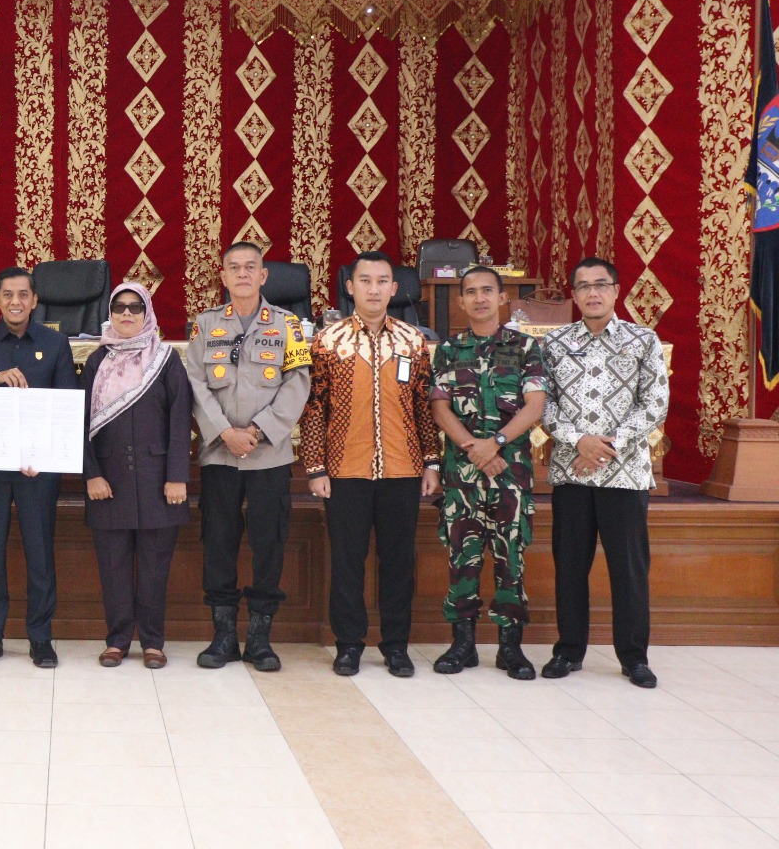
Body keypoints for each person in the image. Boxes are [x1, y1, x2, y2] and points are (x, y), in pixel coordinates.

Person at [301, 251, 441, 677]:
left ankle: (396, 646)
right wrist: (315, 467)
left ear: (394, 289)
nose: (374, 289)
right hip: (345, 470)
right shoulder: (328, 341)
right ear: (350, 287)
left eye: (382, 281)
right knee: (347, 563)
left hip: (403, 469)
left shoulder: (413, 342)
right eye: (365, 280)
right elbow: (315, 408)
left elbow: (423, 407)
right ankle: (348, 645)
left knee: (399, 563)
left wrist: (432, 462)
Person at [540, 257, 669, 689]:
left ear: (616, 290)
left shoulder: (643, 340)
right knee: (569, 566)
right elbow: (545, 404)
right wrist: (579, 440)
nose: (592, 293)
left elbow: (654, 404)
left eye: (600, 284)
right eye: (583, 286)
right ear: (574, 295)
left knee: (628, 569)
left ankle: (634, 657)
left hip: (624, 474)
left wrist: (606, 446)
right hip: (572, 472)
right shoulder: (555, 343)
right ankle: (568, 651)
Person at [185, 242, 311, 672]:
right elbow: (195, 383)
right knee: (218, 542)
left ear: (263, 276)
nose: (242, 274)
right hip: (219, 455)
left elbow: (297, 383)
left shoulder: (288, 324)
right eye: (234, 268)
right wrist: (224, 432)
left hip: (268, 456)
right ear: (223, 276)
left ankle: (259, 638)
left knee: (268, 544)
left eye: (250, 267)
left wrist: (256, 432)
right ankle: (223, 636)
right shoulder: (205, 324)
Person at [429, 266, 547, 680]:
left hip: (510, 472)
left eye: (487, 291)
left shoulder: (525, 347)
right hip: (462, 475)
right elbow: (439, 407)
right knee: (462, 557)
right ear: (460, 301)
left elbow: (535, 405)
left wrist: (494, 443)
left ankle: (510, 647)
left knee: (510, 555)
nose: (479, 298)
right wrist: (472, 448)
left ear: (501, 297)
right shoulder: (448, 349)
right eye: (471, 292)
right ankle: (462, 644)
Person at [0, 266, 78, 668]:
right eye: (7, 294)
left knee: (40, 554)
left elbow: (66, 406)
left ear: (35, 300)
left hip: (37, 470)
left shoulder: (55, 343)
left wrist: (42, 456)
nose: (15, 301)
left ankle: (40, 638)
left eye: (23, 294)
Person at [81, 282, 192, 670]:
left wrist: (177, 476)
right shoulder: (97, 361)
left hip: (158, 483)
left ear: (147, 314)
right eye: (119, 307)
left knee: (153, 569)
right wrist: (91, 475)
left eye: (135, 307)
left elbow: (180, 420)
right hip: (108, 483)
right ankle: (116, 641)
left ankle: (152, 642)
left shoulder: (165, 360)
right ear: (110, 313)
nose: (127, 314)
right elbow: (79, 423)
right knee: (113, 568)